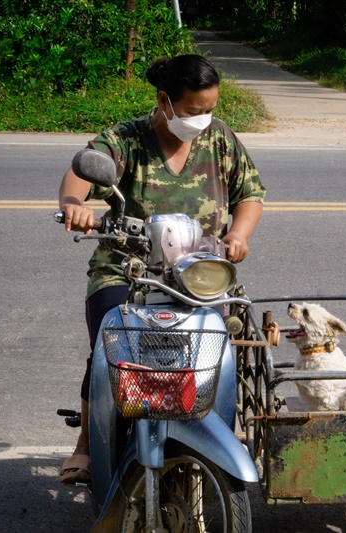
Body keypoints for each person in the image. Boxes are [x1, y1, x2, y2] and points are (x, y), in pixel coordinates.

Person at [57, 54, 266, 485]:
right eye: (194, 111)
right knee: (111, 346)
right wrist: (74, 207)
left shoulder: (221, 139)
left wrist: (239, 236)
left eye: (210, 109)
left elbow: (250, 194)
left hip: (200, 272)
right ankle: (86, 446)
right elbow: (80, 174)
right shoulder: (127, 139)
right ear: (165, 101)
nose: (203, 119)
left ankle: (221, 430)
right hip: (126, 269)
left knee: (224, 345)